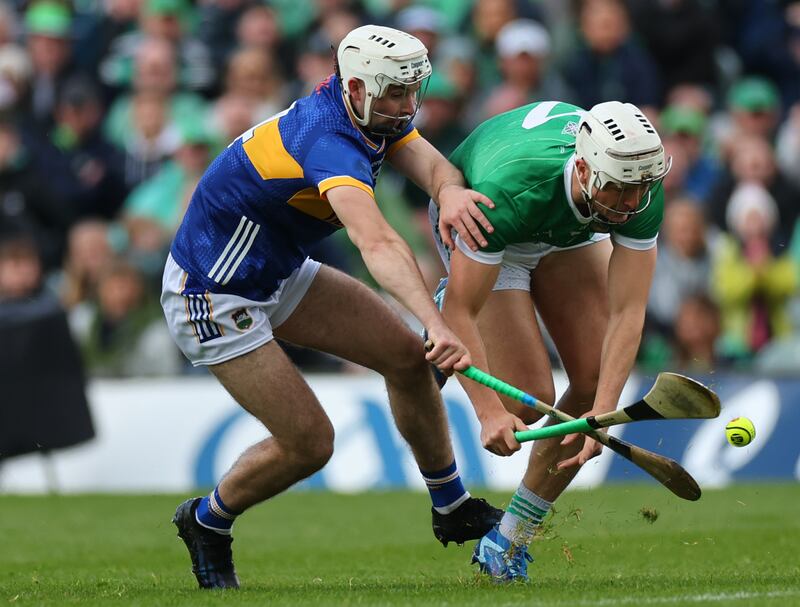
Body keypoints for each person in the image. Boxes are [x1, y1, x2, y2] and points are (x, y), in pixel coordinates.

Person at [161, 25, 502, 590]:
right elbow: (378, 244)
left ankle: (451, 506)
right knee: (310, 444)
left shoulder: (373, 112)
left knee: (407, 361)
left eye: (412, 92)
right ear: (357, 87)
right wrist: (436, 324)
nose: (407, 107)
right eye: (395, 94)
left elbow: (437, 169)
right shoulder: (329, 141)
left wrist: (449, 194)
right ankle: (207, 520)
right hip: (212, 292)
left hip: (277, 269)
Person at [427, 99, 671, 582]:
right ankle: (439, 304)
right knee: (524, 402)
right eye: (621, 189)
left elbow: (628, 311)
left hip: (566, 228)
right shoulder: (507, 192)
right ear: (583, 169)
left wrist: (601, 415)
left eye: (641, 189)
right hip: (494, 219)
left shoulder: (638, 185)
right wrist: (488, 413)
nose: (631, 203)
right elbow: (462, 313)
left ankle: (508, 541)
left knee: (594, 378)